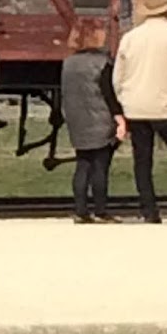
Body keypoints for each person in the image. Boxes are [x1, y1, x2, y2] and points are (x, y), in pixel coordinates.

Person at [113, 0, 167, 223]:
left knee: (142, 160)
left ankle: (149, 211)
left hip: (135, 106)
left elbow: (118, 78)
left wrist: (123, 101)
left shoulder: (130, 38)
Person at [59, 19, 123, 223]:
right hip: (100, 118)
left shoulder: (68, 63)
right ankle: (101, 210)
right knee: (100, 165)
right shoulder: (103, 62)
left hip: (77, 119)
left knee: (83, 163)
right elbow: (108, 92)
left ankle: (80, 210)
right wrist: (119, 118)